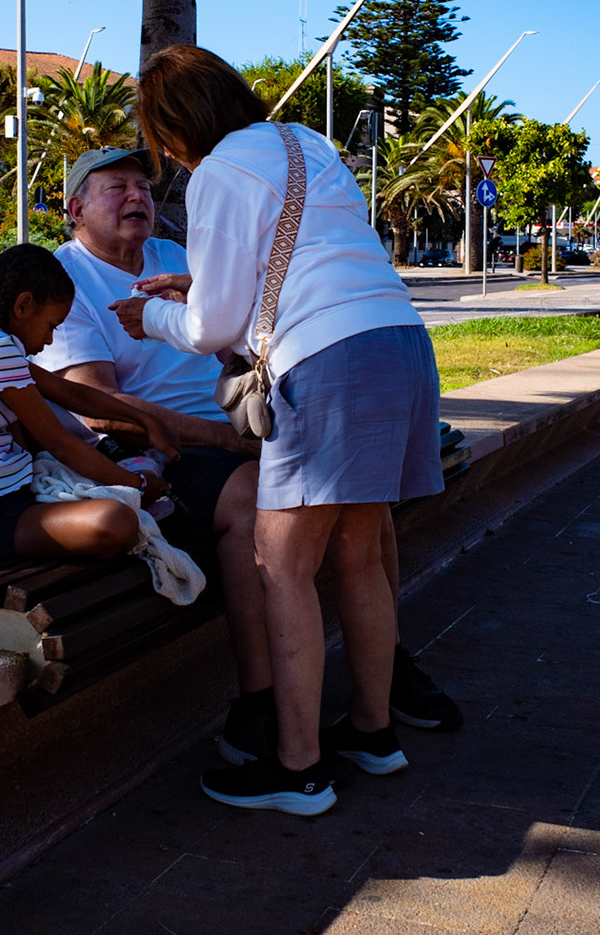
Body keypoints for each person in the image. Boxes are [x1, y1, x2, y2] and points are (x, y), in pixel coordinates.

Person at [34, 148, 462, 768]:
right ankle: (260, 704)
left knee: (361, 497)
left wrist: (251, 396)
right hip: (166, 448)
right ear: (74, 208)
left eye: (144, 187)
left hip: (239, 428)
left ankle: (386, 666)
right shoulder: (67, 279)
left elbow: (233, 344)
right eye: (116, 187)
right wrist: (226, 439)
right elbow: (102, 408)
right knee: (248, 495)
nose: (138, 197)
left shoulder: (173, 258)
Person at [112, 45, 445, 817]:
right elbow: (300, 260)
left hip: (327, 361)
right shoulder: (306, 143)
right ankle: (374, 730)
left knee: (281, 563)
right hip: (397, 338)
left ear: (175, 124)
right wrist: (198, 286)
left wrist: (152, 316)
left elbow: (214, 325)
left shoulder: (220, 171)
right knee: (359, 554)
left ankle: (298, 769)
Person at [0, 244, 179, 560]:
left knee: (115, 504)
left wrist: (145, 420)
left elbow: (70, 393)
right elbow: (58, 442)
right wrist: (137, 486)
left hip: (1, 501)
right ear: (23, 306)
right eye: (52, 325)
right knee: (117, 521)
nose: (50, 340)